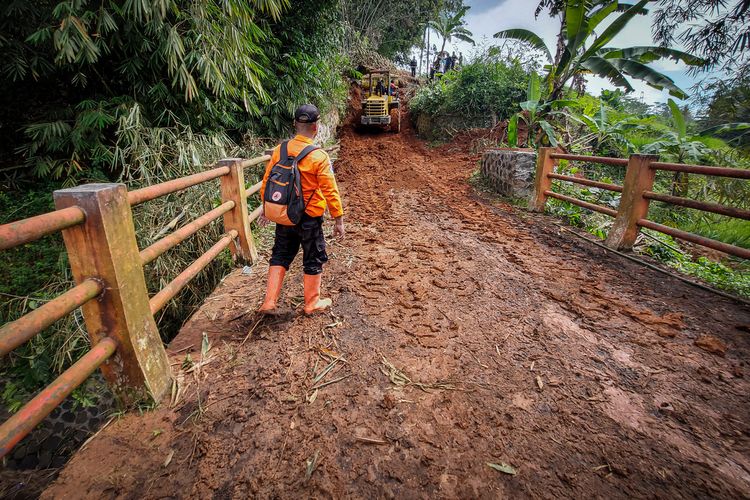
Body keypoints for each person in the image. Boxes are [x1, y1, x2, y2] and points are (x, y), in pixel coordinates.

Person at [258, 104, 345, 315]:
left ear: (295, 124)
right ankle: (312, 303)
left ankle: (269, 302)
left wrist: (266, 208)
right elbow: (329, 189)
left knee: (280, 254)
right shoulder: (319, 156)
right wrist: (338, 219)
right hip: (309, 218)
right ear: (316, 127)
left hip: (284, 215)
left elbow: (268, 181)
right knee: (313, 256)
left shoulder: (281, 149)